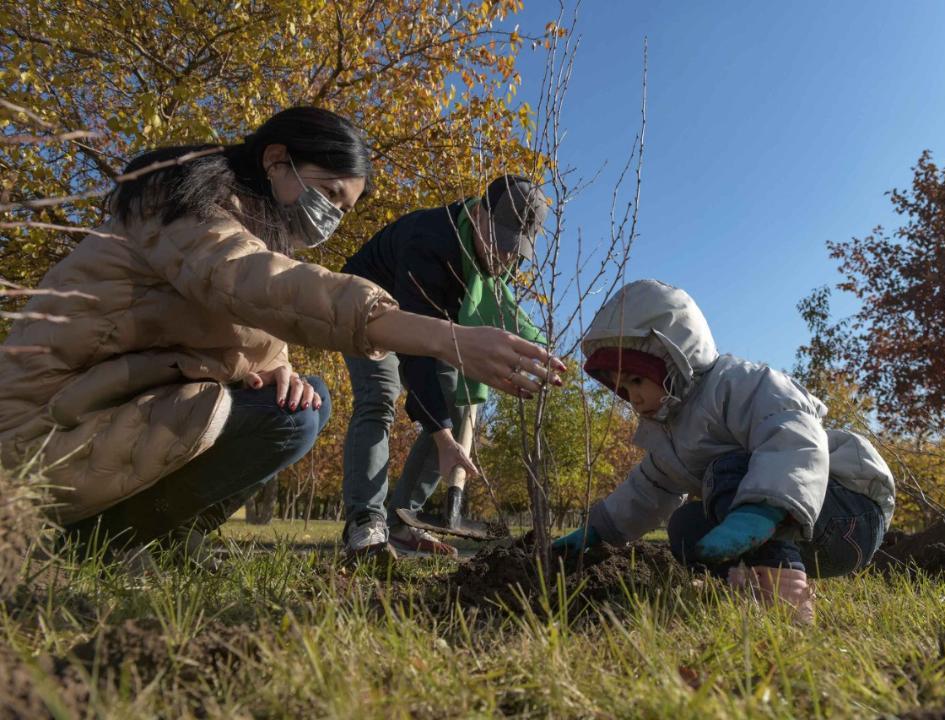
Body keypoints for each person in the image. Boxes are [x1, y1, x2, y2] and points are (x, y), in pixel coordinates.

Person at [0, 107, 563, 561]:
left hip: (108, 401)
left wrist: (275, 369)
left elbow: (257, 327)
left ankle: (156, 535)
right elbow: (264, 286)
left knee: (301, 402)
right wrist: (449, 345)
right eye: (329, 194)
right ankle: (102, 539)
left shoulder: (261, 230)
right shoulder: (180, 208)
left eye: (343, 209)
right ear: (277, 160)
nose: (330, 218)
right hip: (43, 424)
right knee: (369, 405)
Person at [552, 279, 894, 623]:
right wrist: (600, 530)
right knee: (685, 526)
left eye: (638, 380)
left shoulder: (737, 384)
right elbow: (648, 488)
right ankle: (749, 584)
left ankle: (785, 594)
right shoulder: (670, 432)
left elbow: (792, 435)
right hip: (807, 528)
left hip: (849, 507)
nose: (633, 397)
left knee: (725, 470)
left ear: (672, 360)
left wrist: (762, 509)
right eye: (623, 388)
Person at [339, 175, 549, 559]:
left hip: (431, 320)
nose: (504, 257)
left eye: (514, 249)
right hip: (365, 304)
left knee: (454, 403)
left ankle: (402, 522)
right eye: (499, 241)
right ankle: (365, 525)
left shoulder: (494, 261)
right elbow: (417, 354)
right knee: (379, 396)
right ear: (480, 213)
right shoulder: (431, 241)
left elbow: (481, 321)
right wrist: (442, 437)